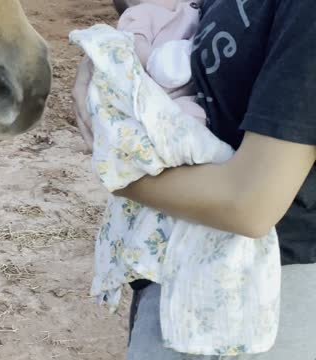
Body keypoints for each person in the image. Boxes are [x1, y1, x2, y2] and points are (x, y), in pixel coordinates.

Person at [72, 0, 316, 359]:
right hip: (183, 267)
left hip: (250, 308)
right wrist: (116, 54)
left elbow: (250, 204)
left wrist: (118, 166)